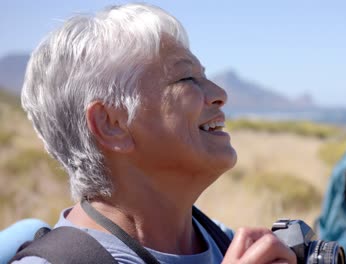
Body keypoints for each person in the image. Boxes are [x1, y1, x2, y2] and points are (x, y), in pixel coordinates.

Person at [11, 3, 296, 263]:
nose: (220, 94)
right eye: (186, 78)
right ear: (112, 124)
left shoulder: (225, 243)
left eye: (204, 76)